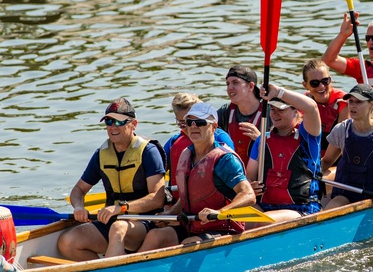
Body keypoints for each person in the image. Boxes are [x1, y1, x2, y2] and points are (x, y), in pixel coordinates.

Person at [57, 98, 166, 261]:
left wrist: (121, 208)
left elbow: (157, 198)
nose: (113, 127)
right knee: (67, 242)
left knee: (118, 228)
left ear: (133, 124)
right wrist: (79, 207)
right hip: (113, 221)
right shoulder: (101, 154)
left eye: (119, 122)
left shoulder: (148, 152)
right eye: (108, 121)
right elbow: (78, 190)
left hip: (144, 222)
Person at [139, 102, 256, 251]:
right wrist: (170, 213)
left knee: (188, 244)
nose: (193, 126)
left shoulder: (225, 160)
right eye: (189, 122)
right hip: (191, 225)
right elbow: (189, 195)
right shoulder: (186, 154)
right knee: (155, 235)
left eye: (200, 122)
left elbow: (248, 194)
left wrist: (220, 212)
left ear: (214, 127)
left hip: (221, 229)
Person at [245, 83, 323, 222]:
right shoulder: (262, 140)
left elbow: (312, 108)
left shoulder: (308, 136)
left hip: (301, 209)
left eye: (280, 109)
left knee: (262, 222)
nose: (275, 114)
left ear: (296, 112)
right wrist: (251, 186)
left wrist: (278, 92)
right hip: (264, 206)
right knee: (235, 220)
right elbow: (249, 176)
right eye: (272, 109)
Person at [163, 93, 234, 186]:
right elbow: (160, 172)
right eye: (182, 123)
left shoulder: (220, 138)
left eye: (197, 122)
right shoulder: (174, 141)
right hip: (179, 198)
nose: (190, 127)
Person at [217, 65, 265, 165]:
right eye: (227, 84)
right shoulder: (224, 112)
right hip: (231, 172)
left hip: (260, 173)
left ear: (251, 86)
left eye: (235, 83)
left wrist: (260, 140)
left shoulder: (269, 113)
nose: (229, 88)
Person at [301, 59, 348, 156]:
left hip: (337, 159)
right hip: (311, 158)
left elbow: (341, 141)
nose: (321, 87)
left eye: (325, 81)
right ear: (305, 85)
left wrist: (323, 165)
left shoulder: (342, 101)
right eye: (314, 83)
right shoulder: (303, 101)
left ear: (330, 80)